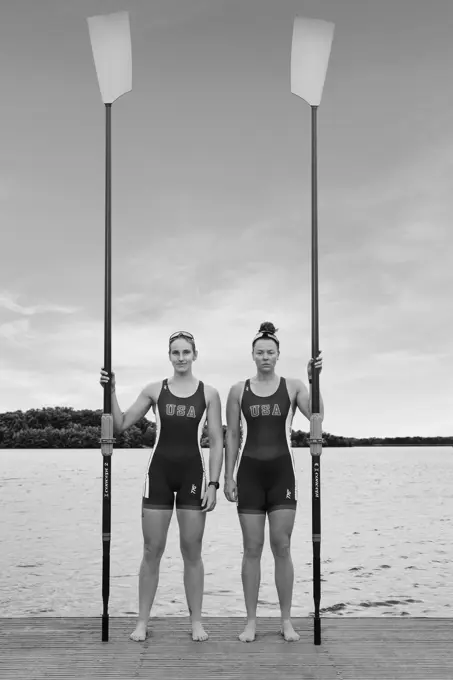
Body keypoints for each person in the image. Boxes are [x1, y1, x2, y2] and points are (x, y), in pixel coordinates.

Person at [99, 330, 224, 642]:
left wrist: (213, 483)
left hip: (194, 476)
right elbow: (121, 423)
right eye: (175, 353)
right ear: (169, 356)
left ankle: (196, 622)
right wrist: (111, 391)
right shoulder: (155, 390)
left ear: (195, 355)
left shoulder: (209, 394)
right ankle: (141, 622)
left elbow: (218, 443)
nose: (180, 358)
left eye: (186, 352)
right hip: (159, 475)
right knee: (151, 550)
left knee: (191, 550)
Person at [224, 321, 323, 642]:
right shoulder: (239, 390)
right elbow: (233, 436)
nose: (265, 356)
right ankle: (251, 621)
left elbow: (317, 417)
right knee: (252, 549)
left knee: (282, 547)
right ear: (252, 355)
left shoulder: (293, 386)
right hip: (249, 476)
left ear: (278, 354)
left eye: (270, 352)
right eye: (260, 352)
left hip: (283, 476)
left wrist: (314, 380)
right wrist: (228, 476)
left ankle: (285, 621)